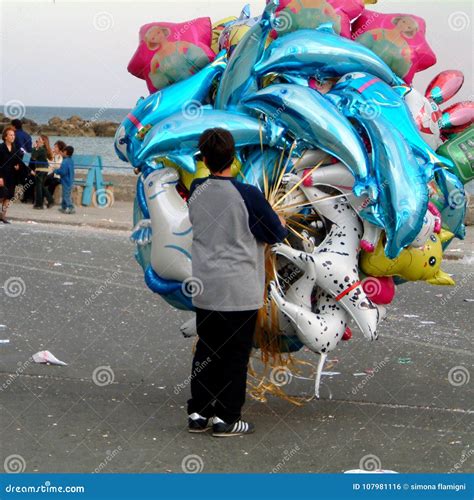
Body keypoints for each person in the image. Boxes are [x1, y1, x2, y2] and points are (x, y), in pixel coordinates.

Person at [186, 128, 287, 437]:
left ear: (203, 158)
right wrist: (279, 221)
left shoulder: (196, 190)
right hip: (239, 289)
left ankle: (199, 412)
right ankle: (227, 417)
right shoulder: (248, 195)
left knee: (206, 350)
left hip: (206, 286)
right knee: (234, 355)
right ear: (235, 157)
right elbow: (274, 233)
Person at [0, 126, 24, 223]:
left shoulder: (15, 148)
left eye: (13, 135)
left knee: (9, 196)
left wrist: (18, 166)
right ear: (5, 137)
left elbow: (16, 161)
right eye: (10, 135)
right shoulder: (1, 148)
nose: (13, 136)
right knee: (1, 195)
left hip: (12, 175)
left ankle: (3, 216)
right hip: (2, 175)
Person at [32, 135, 54, 209]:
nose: (37, 140)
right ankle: (50, 200)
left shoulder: (41, 149)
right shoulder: (44, 149)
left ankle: (39, 204)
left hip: (41, 170)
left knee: (39, 187)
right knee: (41, 186)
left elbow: (33, 156)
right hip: (44, 170)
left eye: (39, 139)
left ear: (43, 141)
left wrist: (34, 148)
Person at [53, 145, 75, 214]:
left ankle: (70, 207)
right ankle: (64, 207)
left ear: (65, 152)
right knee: (65, 194)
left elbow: (63, 172)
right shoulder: (71, 160)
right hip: (70, 180)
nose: (62, 153)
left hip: (66, 181)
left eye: (63, 152)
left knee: (66, 195)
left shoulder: (65, 161)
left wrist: (56, 171)